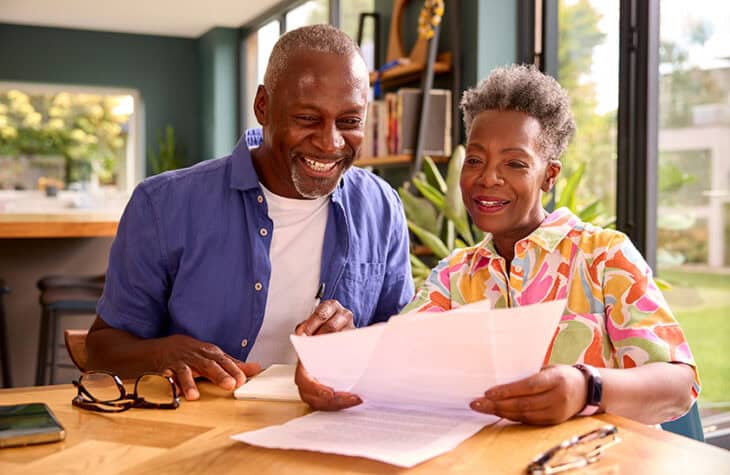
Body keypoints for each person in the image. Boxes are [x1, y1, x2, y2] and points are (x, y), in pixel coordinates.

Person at [86, 25, 414, 402]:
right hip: (195, 431)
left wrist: (356, 347)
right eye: (308, 118)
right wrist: (163, 352)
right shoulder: (163, 205)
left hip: (330, 426)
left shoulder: (381, 207)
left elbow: (399, 345)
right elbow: (100, 349)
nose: (330, 142)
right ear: (263, 106)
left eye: (349, 122)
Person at [399, 64, 699, 425]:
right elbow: (392, 363)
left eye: (514, 163)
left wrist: (587, 388)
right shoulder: (451, 277)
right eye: (475, 160)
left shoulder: (604, 256)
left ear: (549, 176)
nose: (487, 178)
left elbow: (679, 386)